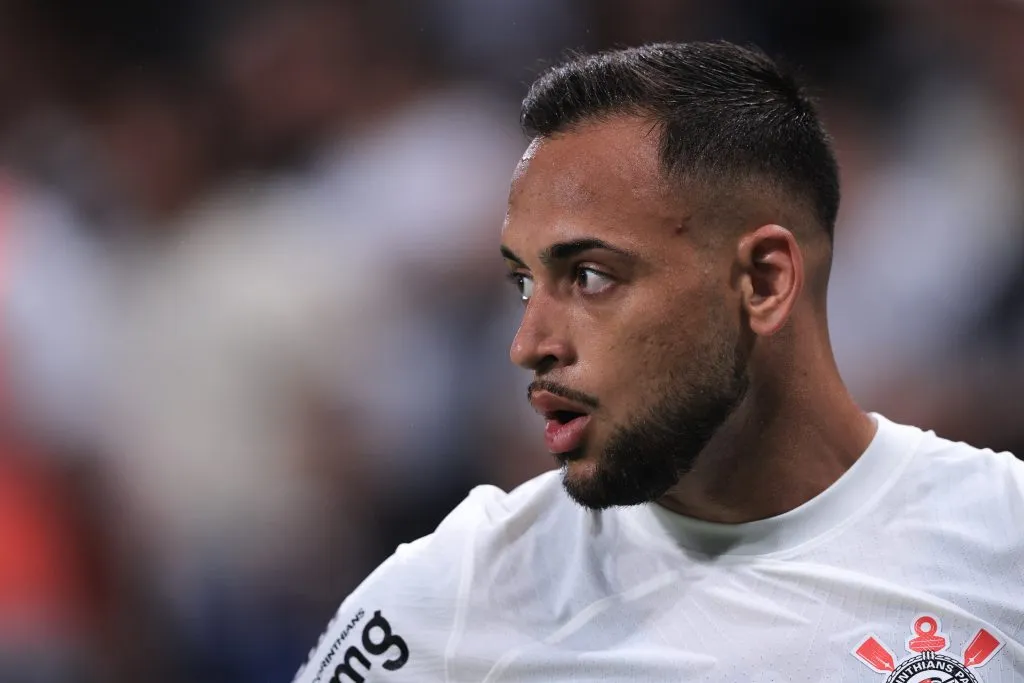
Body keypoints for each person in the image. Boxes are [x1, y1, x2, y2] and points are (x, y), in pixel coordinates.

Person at [292, 42, 1024, 683]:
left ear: (764, 281)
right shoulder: (454, 598)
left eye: (590, 277)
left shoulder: (1003, 533)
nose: (528, 343)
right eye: (524, 282)